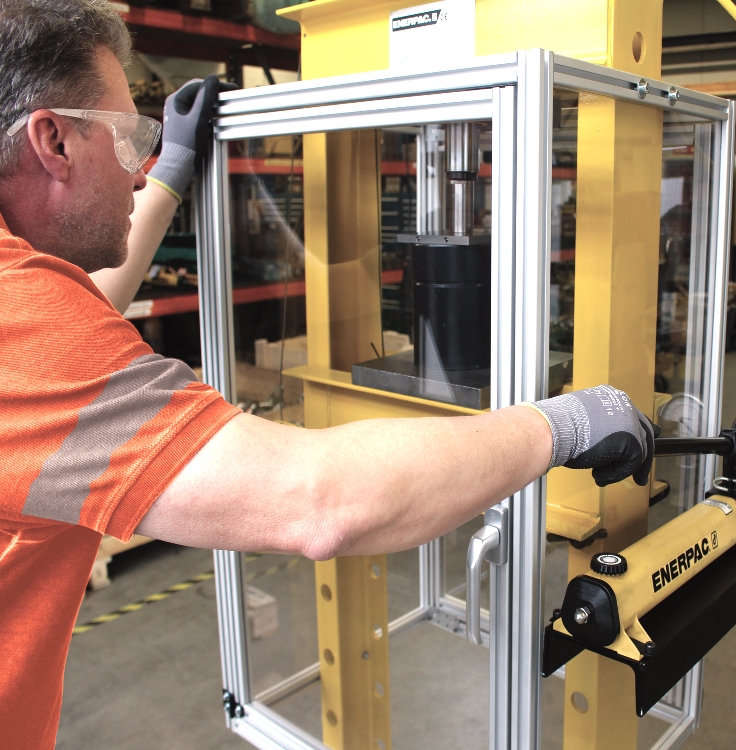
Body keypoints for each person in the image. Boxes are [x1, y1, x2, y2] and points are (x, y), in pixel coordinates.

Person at [0, 1, 655, 747]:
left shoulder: (29, 296)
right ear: (50, 139)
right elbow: (320, 501)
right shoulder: (18, 323)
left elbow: (90, 316)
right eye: (127, 140)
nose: (139, 166)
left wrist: (175, 174)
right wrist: (565, 423)